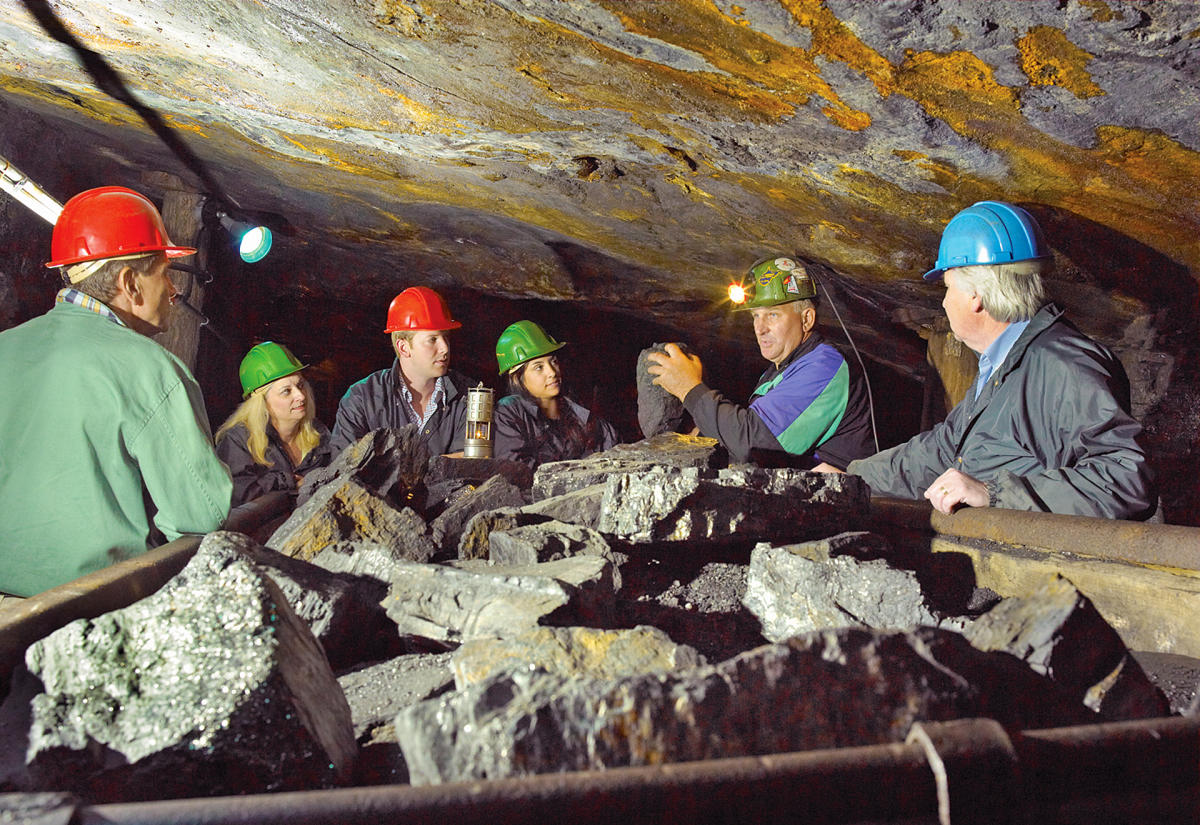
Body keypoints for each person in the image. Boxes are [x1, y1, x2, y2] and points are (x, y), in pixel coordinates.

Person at [823, 200, 1156, 520]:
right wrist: (854, 478)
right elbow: (942, 450)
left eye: (947, 288)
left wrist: (992, 493)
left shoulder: (1061, 364)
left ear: (975, 296)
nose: (944, 303)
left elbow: (1126, 479)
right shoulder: (1002, 366)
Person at [0, 186, 232, 597]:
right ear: (130, 282)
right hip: (82, 610)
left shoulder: (5, 346)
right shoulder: (151, 368)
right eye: (165, 273)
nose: (174, 291)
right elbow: (203, 516)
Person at [646, 256, 874, 469]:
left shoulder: (823, 366)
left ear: (806, 319)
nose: (760, 328)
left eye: (772, 315)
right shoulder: (776, 372)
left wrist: (689, 388)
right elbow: (747, 435)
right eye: (756, 315)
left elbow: (752, 441)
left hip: (839, 493)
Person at [330, 286, 475, 456]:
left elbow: (472, 462)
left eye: (446, 337)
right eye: (432, 339)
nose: (445, 348)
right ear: (403, 347)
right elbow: (343, 465)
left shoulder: (468, 395)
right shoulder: (362, 399)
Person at [215, 341, 332, 507]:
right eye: (286, 391)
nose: (301, 396)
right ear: (261, 401)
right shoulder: (238, 441)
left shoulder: (319, 433)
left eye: (300, 385)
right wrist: (285, 480)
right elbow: (235, 495)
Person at [492, 320, 618, 466]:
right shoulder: (509, 414)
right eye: (539, 367)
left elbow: (618, 455)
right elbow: (516, 469)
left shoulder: (582, 416)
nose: (552, 372)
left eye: (554, 362)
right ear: (516, 378)